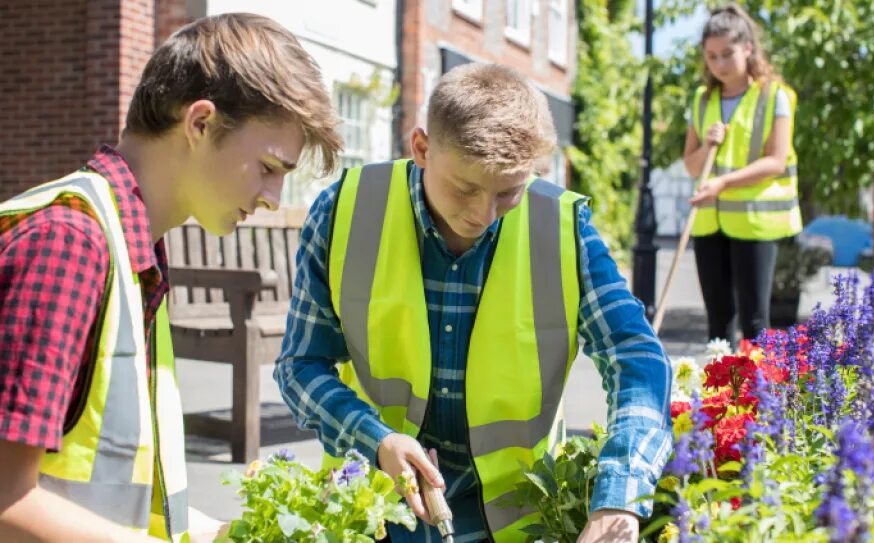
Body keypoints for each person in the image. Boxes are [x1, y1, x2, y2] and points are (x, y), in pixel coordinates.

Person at [275, 62, 672, 543]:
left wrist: (620, 496)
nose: (483, 214)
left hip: (521, 521)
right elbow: (301, 364)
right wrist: (374, 439)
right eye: (465, 188)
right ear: (421, 148)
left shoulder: (565, 228)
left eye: (509, 192)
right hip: (375, 512)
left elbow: (637, 357)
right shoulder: (345, 209)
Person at [0, 13, 341, 542]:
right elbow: (7, 503)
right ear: (201, 124)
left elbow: (131, 512)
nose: (272, 199)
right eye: (270, 168)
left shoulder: (129, 247)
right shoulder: (71, 242)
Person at [683, 4, 803, 343]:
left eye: (727, 54)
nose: (719, 64)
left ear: (748, 48)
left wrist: (722, 184)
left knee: (755, 324)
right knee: (718, 327)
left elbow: (776, 161)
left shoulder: (775, 96)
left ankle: (759, 396)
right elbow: (691, 165)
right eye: (711, 57)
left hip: (755, 223)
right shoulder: (701, 100)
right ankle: (719, 396)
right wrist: (707, 147)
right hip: (708, 223)